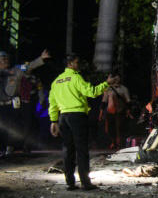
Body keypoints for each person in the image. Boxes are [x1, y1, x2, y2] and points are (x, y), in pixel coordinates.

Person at [49, 54, 118, 190]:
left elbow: (52, 103)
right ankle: (85, 183)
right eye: (76, 62)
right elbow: (91, 92)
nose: (78, 64)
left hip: (63, 117)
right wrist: (106, 83)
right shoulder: (75, 77)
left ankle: (70, 182)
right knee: (81, 149)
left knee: (68, 149)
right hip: (77, 116)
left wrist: (53, 120)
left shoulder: (56, 81)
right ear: (70, 64)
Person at [0, 49, 49, 156]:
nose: (5, 61)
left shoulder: (16, 70)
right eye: (3, 59)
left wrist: (41, 59)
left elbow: (29, 66)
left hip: (10, 105)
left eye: (6, 59)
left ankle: (9, 147)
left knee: (11, 127)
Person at [99, 71, 130, 149]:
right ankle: (113, 141)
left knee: (119, 128)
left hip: (120, 111)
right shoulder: (108, 89)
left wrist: (128, 110)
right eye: (114, 77)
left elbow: (128, 100)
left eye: (117, 77)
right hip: (110, 111)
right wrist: (101, 113)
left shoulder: (123, 89)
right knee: (109, 129)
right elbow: (104, 101)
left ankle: (119, 144)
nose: (116, 79)